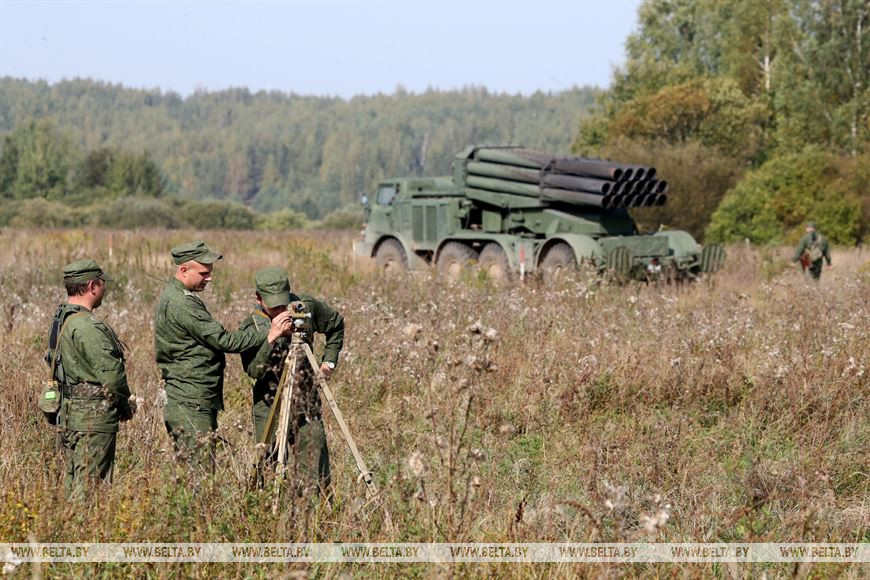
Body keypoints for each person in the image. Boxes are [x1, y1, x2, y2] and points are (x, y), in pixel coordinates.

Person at [154, 241, 293, 472]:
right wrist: (270, 333)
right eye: (204, 273)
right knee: (200, 473)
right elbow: (224, 340)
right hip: (190, 399)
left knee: (197, 469)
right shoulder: (182, 304)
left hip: (191, 397)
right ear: (183, 271)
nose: (209, 278)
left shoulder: (176, 297)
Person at [240, 267, 344, 497]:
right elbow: (253, 371)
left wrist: (328, 364)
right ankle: (270, 510)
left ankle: (313, 513)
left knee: (314, 464)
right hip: (270, 402)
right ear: (259, 298)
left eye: (283, 304)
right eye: (273, 307)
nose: (281, 311)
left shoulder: (305, 307)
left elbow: (336, 325)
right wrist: (272, 337)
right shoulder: (252, 326)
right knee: (269, 464)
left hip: (305, 398)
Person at [46, 259, 134, 499]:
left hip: (69, 413)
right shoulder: (88, 326)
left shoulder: (61, 319)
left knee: (72, 484)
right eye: (102, 283)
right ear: (93, 285)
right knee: (91, 491)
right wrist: (125, 407)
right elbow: (112, 377)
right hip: (92, 419)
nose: (104, 288)